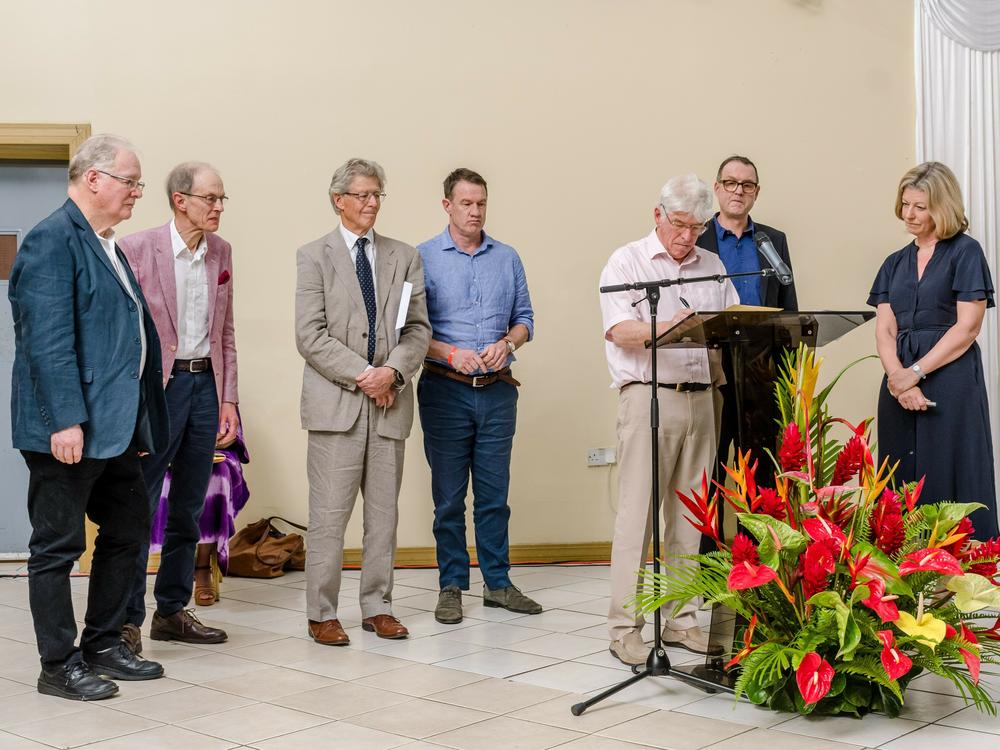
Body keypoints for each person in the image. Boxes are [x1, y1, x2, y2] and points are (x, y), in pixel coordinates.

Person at [8, 134, 169, 700]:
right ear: (93, 178)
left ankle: (104, 643)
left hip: (114, 429)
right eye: (131, 181)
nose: (137, 193)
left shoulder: (107, 243)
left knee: (127, 528)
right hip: (69, 429)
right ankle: (58, 664)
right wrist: (64, 421)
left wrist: (139, 422)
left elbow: (125, 335)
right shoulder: (53, 240)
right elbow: (45, 342)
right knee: (56, 547)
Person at [599, 174, 739, 666]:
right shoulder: (627, 260)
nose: (686, 237)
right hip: (649, 397)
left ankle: (681, 621)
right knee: (637, 516)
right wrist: (674, 326)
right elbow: (620, 329)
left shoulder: (713, 265)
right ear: (657, 214)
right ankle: (624, 627)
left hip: (705, 399)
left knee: (690, 520)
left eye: (697, 228)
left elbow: (731, 324)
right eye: (679, 224)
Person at [295, 158, 431, 646]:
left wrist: (392, 372)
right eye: (363, 195)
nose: (372, 203)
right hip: (337, 406)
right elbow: (309, 335)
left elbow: (417, 328)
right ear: (339, 200)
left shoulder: (404, 256)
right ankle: (322, 613)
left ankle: (378, 606)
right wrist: (364, 375)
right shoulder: (314, 256)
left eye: (378, 195)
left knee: (383, 517)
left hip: (390, 403)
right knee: (329, 517)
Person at [119, 162, 238, 653]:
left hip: (204, 386)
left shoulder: (222, 253)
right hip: (156, 391)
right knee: (137, 507)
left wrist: (230, 398)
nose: (217, 207)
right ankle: (124, 618)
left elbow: (225, 333)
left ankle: (170, 610)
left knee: (189, 505)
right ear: (179, 200)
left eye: (221, 199)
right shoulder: (136, 248)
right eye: (209, 198)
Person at [416, 168, 540, 624]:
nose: (475, 211)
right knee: (449, 497)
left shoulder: (506, 257)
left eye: (481, 203)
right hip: (443, 391)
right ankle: (451, 584)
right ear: (447, 205)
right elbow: (411, 331)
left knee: (494, 495)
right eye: (466, 203)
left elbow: (526, 319)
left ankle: (498, 584)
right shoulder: (422, 257)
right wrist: (450, 352)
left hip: (497, 393)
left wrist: (507, 343)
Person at [868, 161, 998, 539]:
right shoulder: (893, 263)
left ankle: (963, 569)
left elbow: (968, 327)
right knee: (898, 468)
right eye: (905, 204)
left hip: (950, 375)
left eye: (920, 206)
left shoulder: (966, 252)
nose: (909, 214)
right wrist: (899, 378)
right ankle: (906, 566)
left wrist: (917, 372)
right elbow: (884, 329)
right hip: (898, 381)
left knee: (951, 463)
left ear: (942, 207)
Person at [696, 155, 798, 549]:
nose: (739, 190)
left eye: (748, 185)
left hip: (762, 365)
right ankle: (707, 557)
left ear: (757, 192)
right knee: (712, 462)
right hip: (710, 361)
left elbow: (790, 309)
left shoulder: (773, 241)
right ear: (717, 188)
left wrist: (788, 376)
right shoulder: (698, 236)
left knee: (759, 462)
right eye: (731, 183)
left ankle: (756, 552)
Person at [149, 418, 250, 606]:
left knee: (214, 478)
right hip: (165, 450)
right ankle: (172, 566)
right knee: (159, 479)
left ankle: (202, 565)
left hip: (216, 452)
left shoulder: (220, 393)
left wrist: (215, 439)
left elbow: (231, 435)